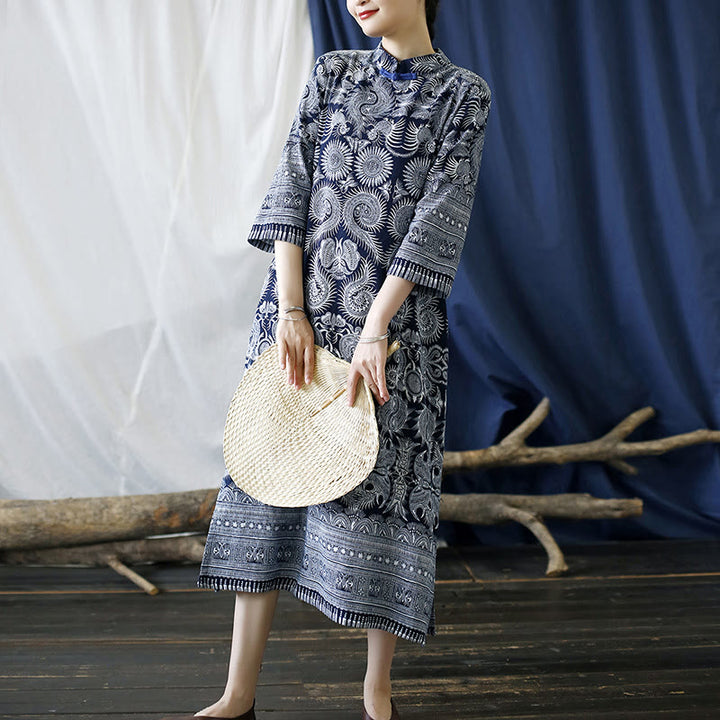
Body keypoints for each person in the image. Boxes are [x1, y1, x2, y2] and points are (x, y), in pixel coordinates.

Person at [162, 1, 491, 718]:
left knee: (384, 494)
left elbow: (442, 213)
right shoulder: (332, 73)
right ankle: (237, 692)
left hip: (393, 335)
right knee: (265, 480)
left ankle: (376, 693)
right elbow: (291, 186)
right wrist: (290, 308)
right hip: (299, 326)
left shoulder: (462, 94)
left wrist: (376, 327)